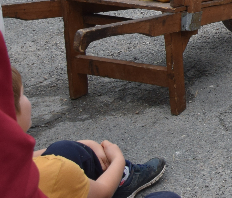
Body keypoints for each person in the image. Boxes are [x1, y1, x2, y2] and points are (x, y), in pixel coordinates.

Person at [11, 66, 173, 198]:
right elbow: (102, 192)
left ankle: (120, 180)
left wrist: (82, 145)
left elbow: (25, 159)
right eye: (23, 95)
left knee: (65, 149)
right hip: (85, 188)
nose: (28, 100)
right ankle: (119, 177)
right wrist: (118, 159)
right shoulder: (57, 171)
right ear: (10, 112)